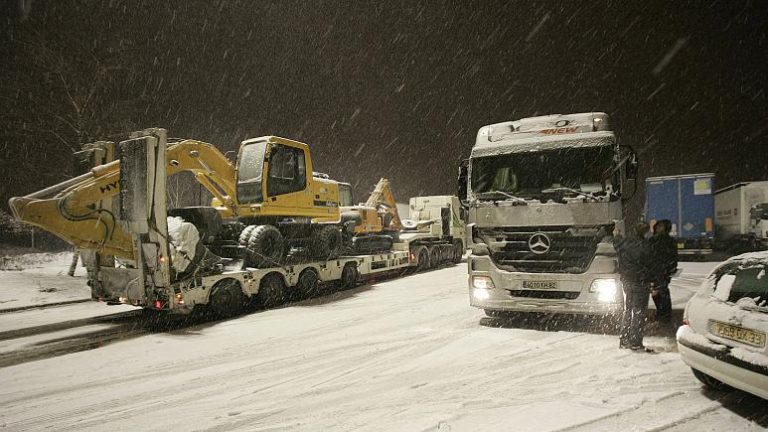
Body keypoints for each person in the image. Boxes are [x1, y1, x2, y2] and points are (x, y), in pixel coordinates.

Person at [614, 222, 660, 351]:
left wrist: (616, 235)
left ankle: (624, 339)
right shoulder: (646, 246)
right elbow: (651, 266)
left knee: (628, 310)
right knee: (638, 312)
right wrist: (654, 283)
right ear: (645, 232)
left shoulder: (624, 243)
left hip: (627, 281)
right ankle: (635, 342)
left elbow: (616, 244)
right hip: (640, 282)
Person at [650, 219, 678, 323]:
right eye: (658, 226)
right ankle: (662, 312)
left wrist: (671, 268)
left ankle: (664, 314)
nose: (659, 228)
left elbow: (673, 256)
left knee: (661, 291)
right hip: (655, 270)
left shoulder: (668, 241)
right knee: (657, 292)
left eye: (661, 227)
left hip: (663, 271)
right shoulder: (653, 240)